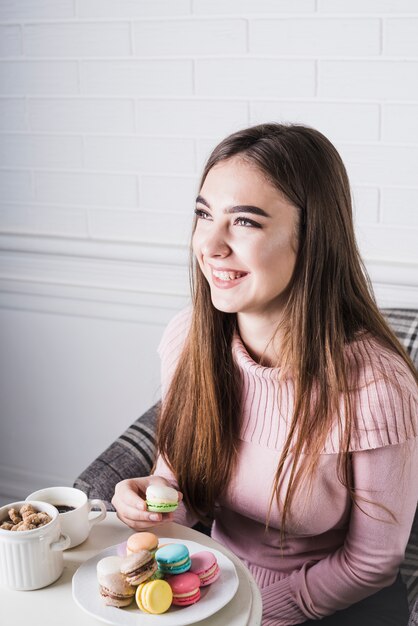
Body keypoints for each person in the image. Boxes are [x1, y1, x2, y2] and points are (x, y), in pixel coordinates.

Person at [112, 123, 418, 625]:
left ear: (312, 237)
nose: (209, 244)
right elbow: (179, 486)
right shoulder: (187, 340)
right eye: (203, 215)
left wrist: (255, 611)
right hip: (214, 584)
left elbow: (372, 564)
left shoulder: (376, 388)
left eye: (245, 222)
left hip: (333, 605)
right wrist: (152, 501)